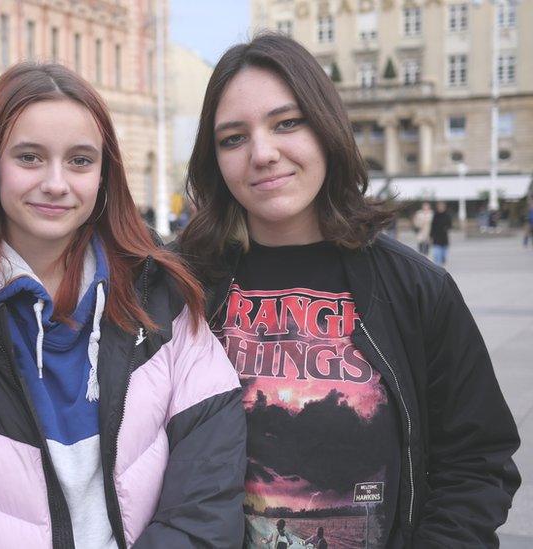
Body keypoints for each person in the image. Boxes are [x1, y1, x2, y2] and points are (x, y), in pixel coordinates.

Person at [177, 33, 519, 548]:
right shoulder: (182, 287)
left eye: (287, 123)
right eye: (233, 138)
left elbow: (477, 462)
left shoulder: (415, 287)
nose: (262, 153)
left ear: (326, 127)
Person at [0, 62, 247, 548]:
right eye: (30, 158)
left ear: (104, 175)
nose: (56, 183)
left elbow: (207, 498)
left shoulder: (161, 296)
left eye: (80, 161)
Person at [430, 201, 452, 266]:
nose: (441, 208)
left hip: (444, 238)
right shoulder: (435, 215)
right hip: (436, 237)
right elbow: (432, 226)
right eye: (439, 207)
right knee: (436, 255)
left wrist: (446, 228)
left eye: (442, 207)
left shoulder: (447, 215)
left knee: (443, 255)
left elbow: (450, 225)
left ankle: (442, 262)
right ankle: (437, 268)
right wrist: (431, 236)